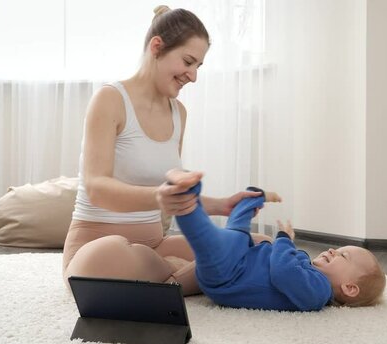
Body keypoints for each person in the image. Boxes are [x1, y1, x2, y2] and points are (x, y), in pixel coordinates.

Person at [62, 5, 263, 295]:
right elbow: (97, 187)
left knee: (257, 244)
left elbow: (175, 196)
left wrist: (222, 204)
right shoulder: (109, 99)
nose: (193, 76)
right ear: (157, 46)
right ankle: (181, 276)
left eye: (198, 67)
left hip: (155, 245)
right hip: (96, 249)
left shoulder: (179, 112)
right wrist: (158, 197)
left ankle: (164, 278)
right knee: (106, 258)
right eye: (188, 61)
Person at [163, 168, 387, 311]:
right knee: (237, 229)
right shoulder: (310, 274)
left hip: (228, 275)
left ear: (349, 288)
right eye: (338, 249)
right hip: (240, 259)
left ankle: (185, 197)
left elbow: (283, 272)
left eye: (342, 255)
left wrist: (284, 238)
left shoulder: (317, 293)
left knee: (207, 237)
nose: (332, 250)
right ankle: (252, 198)